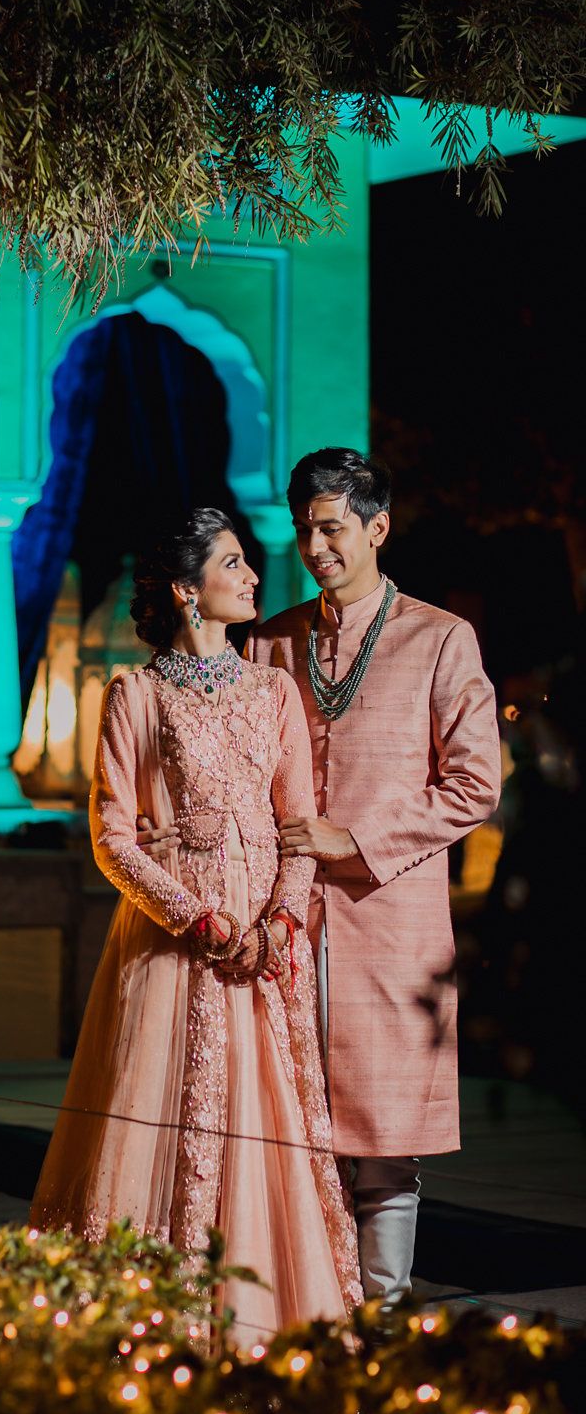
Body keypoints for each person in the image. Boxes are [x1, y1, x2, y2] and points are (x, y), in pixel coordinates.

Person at [143, 449, 501, 1308]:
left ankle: (378, 1311)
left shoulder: (441, 638)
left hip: (391, 918)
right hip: (277, 922)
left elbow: (476, 784)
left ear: (377, 529)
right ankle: (297, 1306)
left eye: (332, 527)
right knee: (281, 1123)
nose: (313, 546)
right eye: (304, 528)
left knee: (383, 1136)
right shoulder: (271, 640)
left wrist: (356, 837)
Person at [30, 508, 362, 1344]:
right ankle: (151, 1332)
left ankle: (261, 1326)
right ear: (187, 590)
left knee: (267, 1127)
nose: (253, 576)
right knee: (158, 1123)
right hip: (176, 946)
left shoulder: (274, 690)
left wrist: (281, 917)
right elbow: (112, 840)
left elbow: (299, 824)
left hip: (266, 948)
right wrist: (199, 919)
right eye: (233, 563)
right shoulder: (135, 695)